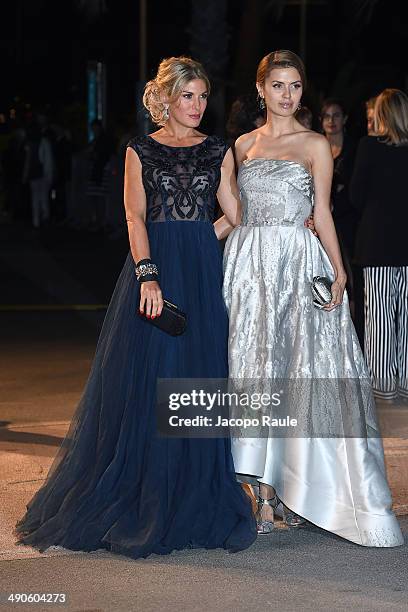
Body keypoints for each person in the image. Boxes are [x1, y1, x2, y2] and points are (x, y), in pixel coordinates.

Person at [15, 56, 256, 559]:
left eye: (203, 96)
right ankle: (147, 496)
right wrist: (149, 273)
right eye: (187, 95)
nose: (197, 105)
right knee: (154, 382)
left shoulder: (218, 150)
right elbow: (134, 216)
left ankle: (193, 495)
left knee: (199, 381)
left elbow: (235, 214)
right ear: (165, 99)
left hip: (201, 272)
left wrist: (206, 242)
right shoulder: (139, 149)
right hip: (154, 272)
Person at [222, 50, 403, 547]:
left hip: (300, 264)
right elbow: (235, 212)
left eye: (295, 86)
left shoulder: (316, 144)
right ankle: (258, 489)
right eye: (278, 85)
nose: (287, 95)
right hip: (249, 268)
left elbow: (322, 211)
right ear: (261, 89)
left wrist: (340, 270)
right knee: (253, 371)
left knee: (298, 371)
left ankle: (295, 487)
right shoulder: (240, 145)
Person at [350, 88, 408, 402]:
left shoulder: (369, 147)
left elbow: (356, 195)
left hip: (377, 242)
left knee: (380, 315)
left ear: (382, 114)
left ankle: (383, 383)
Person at [319, 98, 362, 342]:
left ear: (344, 119)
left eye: (336, 115)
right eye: (326, 116)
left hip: (347, 219)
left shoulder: (354, 148)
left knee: (351, 274)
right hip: (323, 219)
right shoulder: (315, 145)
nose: (331, 121)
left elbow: (357, 188)